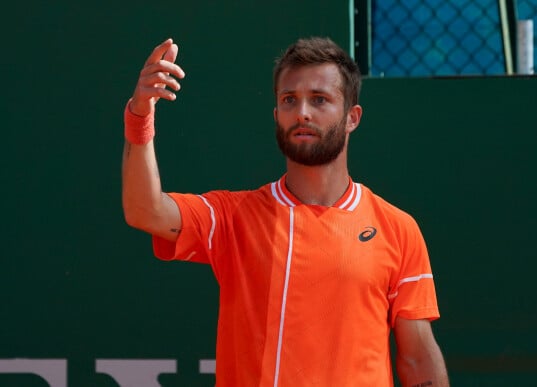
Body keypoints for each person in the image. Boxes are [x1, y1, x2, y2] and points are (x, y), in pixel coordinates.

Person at [122, 37, 449, 387]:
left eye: (319, 100)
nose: (303, 112)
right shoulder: (234, 216)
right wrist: (140, 115)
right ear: (277, 115)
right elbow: (146, 211)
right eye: (290, 100)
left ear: (352, 118)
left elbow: (416, 357)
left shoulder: (398, 229)